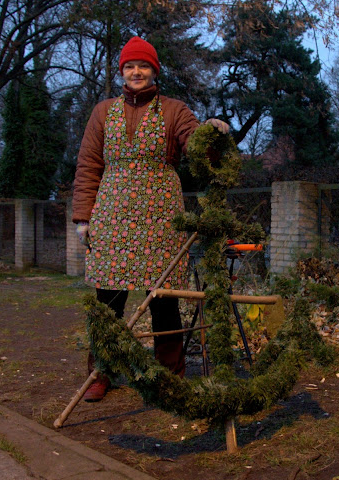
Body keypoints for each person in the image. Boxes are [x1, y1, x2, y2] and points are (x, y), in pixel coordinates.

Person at [72, 36, 228, 402]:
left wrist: (211, 134)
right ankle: (101, 371)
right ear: (122, 71)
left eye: (143, 66)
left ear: (154, 71)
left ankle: (168, 377)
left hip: (161, 218)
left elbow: (196, 148)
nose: (136, 72)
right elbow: (89, 164)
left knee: (164, 299)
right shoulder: (102, 112)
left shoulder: (174, 110)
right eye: (130, 66)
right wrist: (82, 218)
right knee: (107, 301)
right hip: (111, 217)